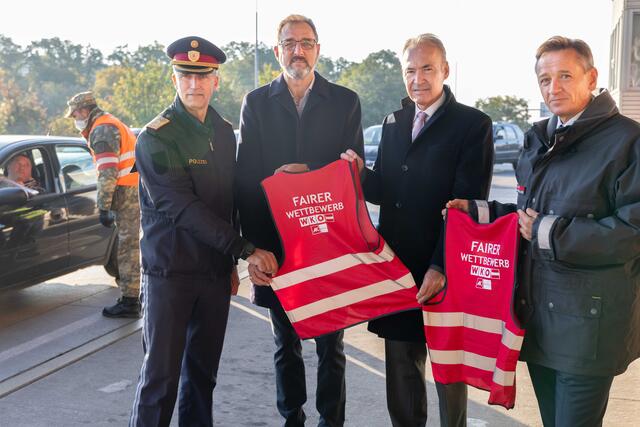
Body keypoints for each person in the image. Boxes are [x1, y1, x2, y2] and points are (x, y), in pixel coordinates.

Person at [446, 36, 640, 427]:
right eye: (545, 79)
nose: (555, 88)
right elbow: (528, 216)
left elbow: (632, 231)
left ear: (591, 78)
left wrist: (550, 232)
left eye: (566, 75)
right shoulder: (539, 138)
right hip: (538, 322)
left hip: (590, 325)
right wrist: (480, 211)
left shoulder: (627, 141)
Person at [342, 33, 494, 427]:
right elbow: (387, 191)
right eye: (410, 70)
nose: (418, 79)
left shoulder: (473, 125)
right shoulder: (394, 122)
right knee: (402, 373)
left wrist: (441, 266)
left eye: (427, 68)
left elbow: (469, 207)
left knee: (448, 372)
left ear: (445, 69)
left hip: (445, 266)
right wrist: (361, 176)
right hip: (398, 267)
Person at [128, 36, 277, 427]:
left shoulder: (225, 133)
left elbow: (229, 201)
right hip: (170, 276)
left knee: (202, 380)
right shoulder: (156, 137)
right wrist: (244, 249)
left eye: (202, 76)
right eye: (185, 76)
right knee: (160, 382)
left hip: (213, 276)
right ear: (174, 79)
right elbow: (181, 206)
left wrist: (230, 261)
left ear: (216, 81)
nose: (194, 85)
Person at [235, 14, 364, 427]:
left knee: (332, 345)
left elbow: (352, 174)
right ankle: (292, 418)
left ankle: (332, 422)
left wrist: (308, 171)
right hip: (277, 246)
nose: (298, 50)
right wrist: (254, 249)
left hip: (328, 243)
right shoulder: (256, 103)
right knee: (285, 343)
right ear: (277, 52)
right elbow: (245, 179)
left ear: (318, 50)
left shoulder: (345, 101)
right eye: (289, 43)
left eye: (307, 43)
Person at [65, 91, 141, 318]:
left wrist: (104, 205)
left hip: (125, 193)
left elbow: (107, 171)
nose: (75, 119)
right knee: (131, 246)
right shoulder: (110, 122)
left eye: (76, 114)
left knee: (127, 248)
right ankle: (134, 294)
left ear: (85, 110)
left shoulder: (102, 129)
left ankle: (130, 302)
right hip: (133, 189)